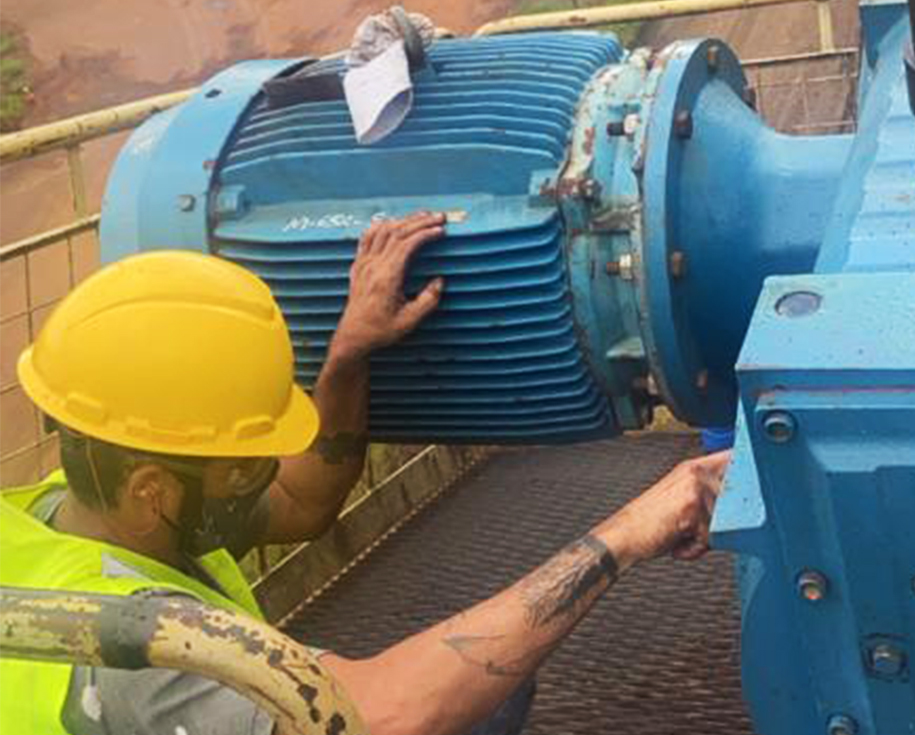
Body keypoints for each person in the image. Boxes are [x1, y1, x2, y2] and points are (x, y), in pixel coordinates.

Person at [0, 212, 731, 735]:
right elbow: (376, 715)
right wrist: (628, 531)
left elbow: (301, 497)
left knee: (492, 689)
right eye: (242, 464)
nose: (266, 471)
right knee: (470, 698)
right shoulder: (128, 651)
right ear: (151, 489)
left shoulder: (76, 512)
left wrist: (348, 354)